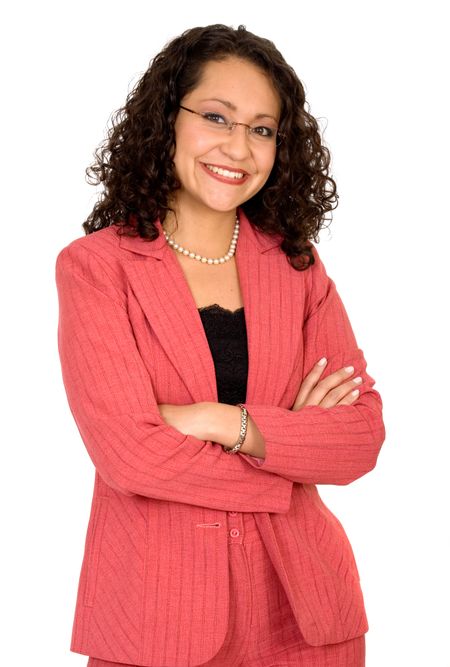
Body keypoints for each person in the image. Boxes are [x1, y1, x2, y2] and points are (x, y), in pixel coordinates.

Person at [55, 24, 385, 667]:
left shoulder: (297, 266)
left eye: (263, 128)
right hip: (158, 619)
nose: (240, 146)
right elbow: (131, 457)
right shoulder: (98, 268)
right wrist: (285, 448)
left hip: (307, 617)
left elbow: (359, 438)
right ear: (166, 120)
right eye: (216, 117)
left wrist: (220, 422)